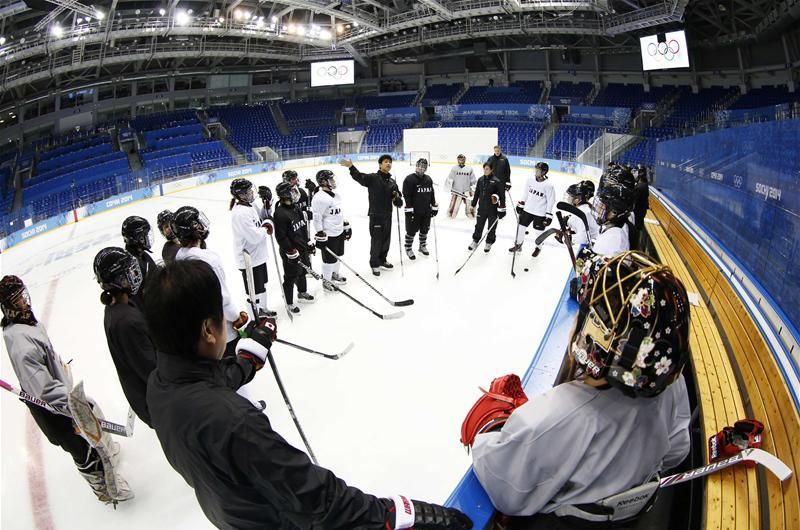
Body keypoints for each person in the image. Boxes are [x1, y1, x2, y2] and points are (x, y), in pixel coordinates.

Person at [144, 259, 472, 530]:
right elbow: (318, 500)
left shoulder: (160, 384)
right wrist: (392, 515)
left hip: (229, 513)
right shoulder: (235, 422)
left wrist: (247, 359)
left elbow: (206, 389)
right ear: (207, 329)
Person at [465, 251, 691, 526]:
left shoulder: (553, 417)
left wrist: (495, 426)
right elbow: (678, 449)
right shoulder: (672, 385)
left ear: (598, 336)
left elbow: (506, 491)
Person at [1, 275, 133, 504]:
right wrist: (73, 406)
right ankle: (103, 488)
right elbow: (43, 389)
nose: (24, 299)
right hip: (52, 408)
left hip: (57, 395)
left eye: (23, 293)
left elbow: (44, 363)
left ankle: (105, 460)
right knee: (81, 447)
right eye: (17, 298)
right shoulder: (21, 342)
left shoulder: (26, 324)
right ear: (8, 306)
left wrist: (60, 372)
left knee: (86, 433)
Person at [172, 205, 249, 356]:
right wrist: (236, 317)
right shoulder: (209, 260)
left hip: (198, 332)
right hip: (221, 332)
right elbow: (222, 299)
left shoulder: (179, 258)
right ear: (194, 228)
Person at [93, 247, 156, 428]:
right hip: (155, 402)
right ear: (119, 280)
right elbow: (152, 369)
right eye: (129, 271)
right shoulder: (126, 321)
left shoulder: (119, 308)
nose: (135, 274)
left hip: (150, 398)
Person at [340, 154, 403, 277]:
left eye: (390, 162)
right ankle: (374, 263)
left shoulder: (392, 181)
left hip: (387, 216)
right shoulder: (373, 178)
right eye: (386, 161)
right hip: (376, 215)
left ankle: (382, 259)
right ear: (380, 164)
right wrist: (351, 167)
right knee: (377, 241)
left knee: (386, 240)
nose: (388, 164)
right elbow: (359, 177)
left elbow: (398, 199)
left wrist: (397, 199)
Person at [229, 178, 277, 318]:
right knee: (253, 291)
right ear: (241, 195)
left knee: (262, 285)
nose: (251, 192)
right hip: (248, 258)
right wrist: (267, 226)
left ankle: (262, 309)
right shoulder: (240, 214)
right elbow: (255, 236)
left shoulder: (251, 206)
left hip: (258, 255)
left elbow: (262, 217)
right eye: (248, 191)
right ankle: (254, 317)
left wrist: (267, 204)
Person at [273, 182, 315, 314]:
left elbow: (302, 227)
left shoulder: (296, 208)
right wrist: (290, 250)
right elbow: (281, 237)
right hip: (291, 252)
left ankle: (302, 293)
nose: (295, 194)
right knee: (291, 276)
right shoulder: (280, 213)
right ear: (285, 195)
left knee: (303, 272)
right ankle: (289, 302)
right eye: (292, 192)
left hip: (301, 247)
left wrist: (307, 242)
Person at [311, 169, 350, 291]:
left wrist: (345, 226)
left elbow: (338, 213)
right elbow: (317, 218)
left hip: (338, 231)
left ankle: (334, 274)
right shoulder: (319, 198)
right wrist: (320, 233)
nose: (333, 181)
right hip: (329, 234)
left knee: (338, 255)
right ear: (323, 182)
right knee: (328, 260)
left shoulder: (335, 195)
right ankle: (326, 281)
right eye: (330, 179)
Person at [508, 162, 555, 258]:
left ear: (544, 172)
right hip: (527, 210)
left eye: (538, 170)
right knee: (520, 228)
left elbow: (551, 201)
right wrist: (521, 204)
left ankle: (539, 247)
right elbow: (525, 193)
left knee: (539, 232)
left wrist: (548, 215)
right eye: (536, 169)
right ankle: (518, 245)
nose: (536, 171)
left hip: (540, 213)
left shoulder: (549, 185)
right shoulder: (530, 180)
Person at [592, 167, 637, 257]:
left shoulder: (614, 238)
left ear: (614, 211)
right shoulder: (621, 222)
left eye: (602, 205)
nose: (597, 208)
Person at [402, 158, 438, 260]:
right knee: (411, 231)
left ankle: (422, 246)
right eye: (419, 165)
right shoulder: (409, 179)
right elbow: (406, 195)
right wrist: (409, 209)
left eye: (423, 166)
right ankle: (408, 247)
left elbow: (431, 193)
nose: (421, 168)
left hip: (426, 210)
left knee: (425, 229)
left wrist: (434, 206)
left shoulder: (428, 179)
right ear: (416, 166)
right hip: (414, 211)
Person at [469, 162, 506, 253]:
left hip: (492, 209)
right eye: (484, 169)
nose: (485, 171)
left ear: (491, 170)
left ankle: (489, 242)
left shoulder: (496, 181)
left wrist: (502, 209)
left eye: (487, 169)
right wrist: (473, 205)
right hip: (482, 208)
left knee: (491, 227)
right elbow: (477, 193)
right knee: (479, 226)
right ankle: (475, 240)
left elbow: (502, 196)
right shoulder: (480, 180)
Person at [121, 215, 158, 300]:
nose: (148, 238)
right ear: (139, 238)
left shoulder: (141, 254)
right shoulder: (132, 265)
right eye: (146, 235)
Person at [559, 181, 599, 252]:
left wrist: (568, 238)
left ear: (577, 200)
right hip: (593, 245)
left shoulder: (583, 213)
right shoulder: (586, 208)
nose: (568, 198)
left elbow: (583, 238)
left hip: (591, 248)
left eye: (570, 196)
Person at [444, 154, 477, 218]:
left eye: (462, 159)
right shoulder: (454, 168)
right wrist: (448, 186)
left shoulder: (469, 169)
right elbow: (450, 179)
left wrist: (474, 188)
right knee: (454, 206)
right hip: (457, 191)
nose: (461, 161)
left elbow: (473, 180)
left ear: (464, 160)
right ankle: (451, 215)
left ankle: (471, 214)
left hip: (467, 190)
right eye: (459, 159)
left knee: (469, 205)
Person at [633, 170, 650, 251]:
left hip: (638, 211)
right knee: (639, 227)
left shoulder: (639, 187)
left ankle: (637, 246)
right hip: (642, 210)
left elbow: (635, 201)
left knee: (637, 227)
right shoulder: (645, 185)